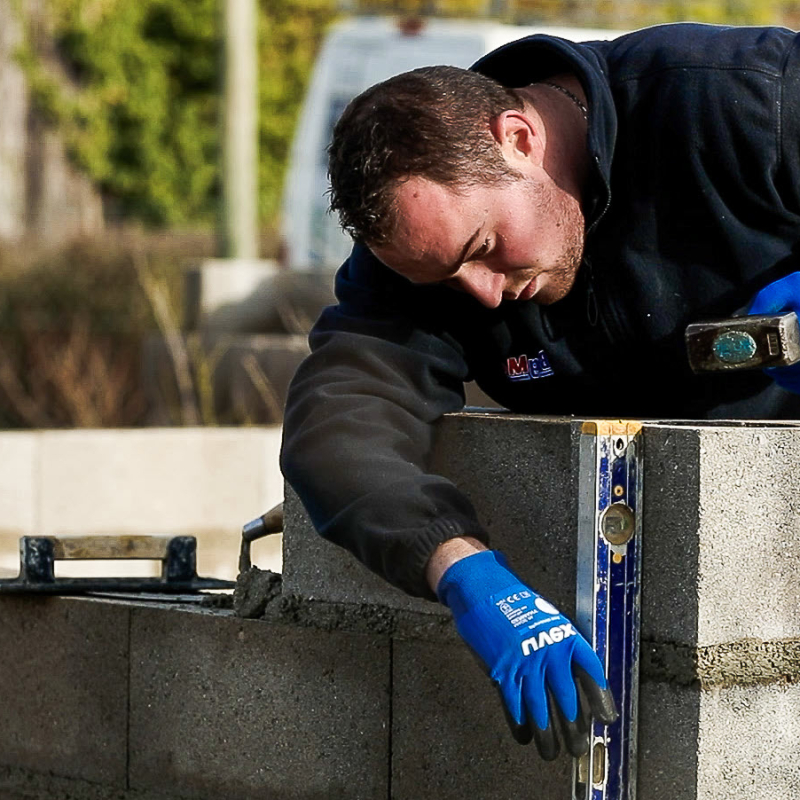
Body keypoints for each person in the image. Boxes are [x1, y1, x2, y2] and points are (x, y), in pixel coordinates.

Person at [280, 21, 800, 760]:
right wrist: (460, 569)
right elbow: (338, 426)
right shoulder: (428, 260)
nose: (486, 296)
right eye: (450, 280)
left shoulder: (742, 100)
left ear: (518, 137)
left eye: (484, 251)